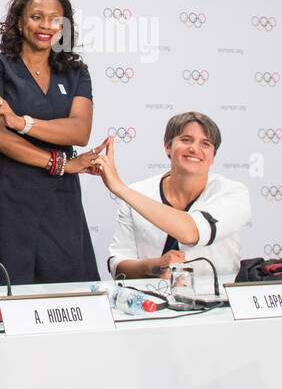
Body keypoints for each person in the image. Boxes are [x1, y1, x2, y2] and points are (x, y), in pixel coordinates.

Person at [0, 0, 105, 286]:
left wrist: (21, 122)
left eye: (55, 19)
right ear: (19, 22)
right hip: (7, 194)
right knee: (2, 290)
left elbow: (79, 130)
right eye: (37, 16)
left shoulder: (76, 71)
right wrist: (60, 164)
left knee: (66, 289)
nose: (46, 26)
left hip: (59, 198)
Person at [98, 112, 251, 281]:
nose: (194, 148)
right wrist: (155, 266)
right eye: (186, 140)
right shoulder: (139, 192)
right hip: (150, 302)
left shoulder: (233, 193)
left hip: (217, 302)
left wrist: (120, 188)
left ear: (213, 155)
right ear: (167, 147)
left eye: (205, 143)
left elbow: (190, 233)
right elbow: (118, 266)